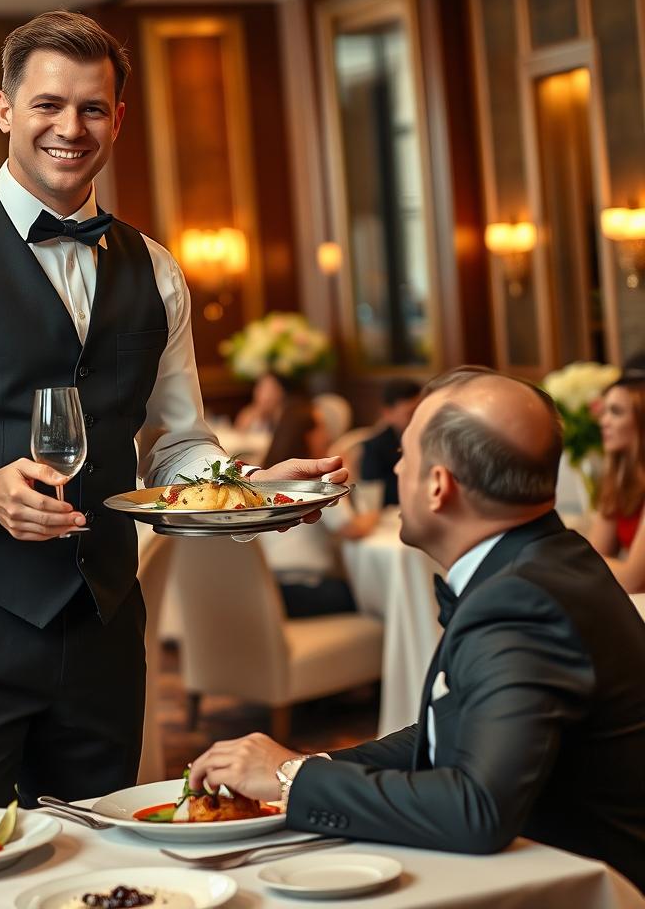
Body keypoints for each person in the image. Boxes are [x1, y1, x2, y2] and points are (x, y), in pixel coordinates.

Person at [0, 10, 347, 807]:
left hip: (104, 629)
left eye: (92, 108)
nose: (71, 127)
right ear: (4, 110)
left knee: (103, 854)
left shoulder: (159, 271)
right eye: (47, 106)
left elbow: (176, 445)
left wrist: (246, 486)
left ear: (118, 119)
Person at [189, 367, 645, 891]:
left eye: (407, 455)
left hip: (576, 888)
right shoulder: (546, 560)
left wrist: (294, 779)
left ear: (436, 485)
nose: (398, 469)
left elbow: (480, 810)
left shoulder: (522, 600)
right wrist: (300, 764)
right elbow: (445, 728)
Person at [260, 399, 378, 618]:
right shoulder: (312, 480)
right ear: (307, 435)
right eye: (322, 427)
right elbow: (352, 529)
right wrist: (374, 514)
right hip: (303, 590)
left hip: (268, 589)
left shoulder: (269, 473)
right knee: (372, 597)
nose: (327, 435)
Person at [588, 372, 645, 593]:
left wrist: (581, 558)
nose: (604, 422)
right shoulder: (619, 477)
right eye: (604, 412)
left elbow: (633, 580)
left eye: (616, 412)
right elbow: (592, 551)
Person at [359, 378, 422, 505]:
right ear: (388, 413)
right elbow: (370, 497)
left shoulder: (431, 439)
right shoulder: (374, 447)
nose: (418, 419)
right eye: (410, 414)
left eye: (421, 411)